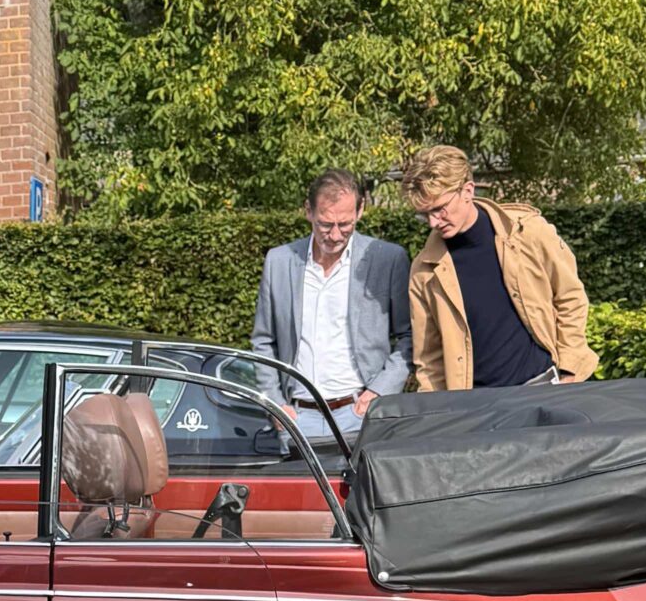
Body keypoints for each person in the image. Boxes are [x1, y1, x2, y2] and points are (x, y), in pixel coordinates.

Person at [401, 146, 596, 391]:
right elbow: (429, 358)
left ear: (467, 191)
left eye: (440, 208)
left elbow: (570, 297)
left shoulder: (528, 232)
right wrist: (439, 408)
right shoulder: (424, 270)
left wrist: (569, 371)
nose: (433, 222)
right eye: (424, 214)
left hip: (544, 387)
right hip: (476, 403)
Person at [251, 169, 411, 443]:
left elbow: (410, 336)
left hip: (362, 413)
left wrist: (380, 392)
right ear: (308, 211)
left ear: (360, 210)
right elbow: (263, 340)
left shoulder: (388, 259)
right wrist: (275, 402)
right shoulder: (279, 261)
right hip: (296, 418)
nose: (335, 235)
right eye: (325, 224)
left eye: (345, 224)